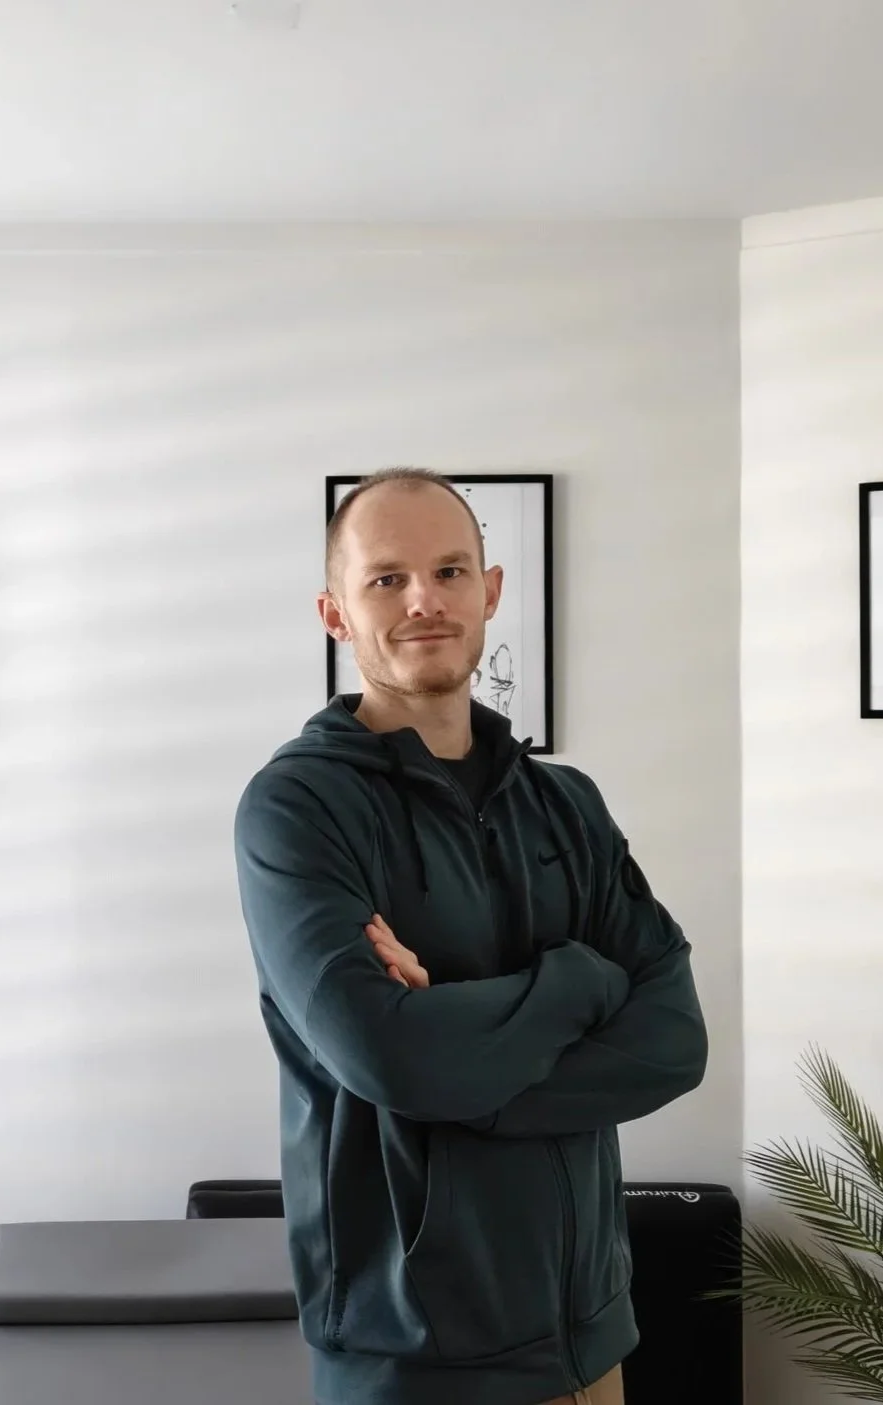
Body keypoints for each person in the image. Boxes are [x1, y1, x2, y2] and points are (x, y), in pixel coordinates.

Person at [234, 468, 709, 1405]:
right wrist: (581, 985)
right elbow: (389, 1056)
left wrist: (458, 1067)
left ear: (489, 591)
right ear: (334, 613)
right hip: (412, 1363)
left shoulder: (564, 802)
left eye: (450, 570)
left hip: (592, 1339)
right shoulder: (296, 807)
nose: (424, 600)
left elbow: (673, 1041)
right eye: (386, 578)